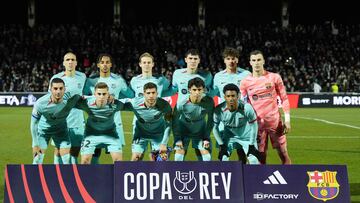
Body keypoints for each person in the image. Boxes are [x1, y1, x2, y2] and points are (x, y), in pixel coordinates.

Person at [240, 50, 291, 164]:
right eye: (254, 60)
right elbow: (243, 105)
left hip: (275, 123)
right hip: (257, 126)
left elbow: (284, 98)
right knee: (261, 157)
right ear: (250, 63)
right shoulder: (245, 82)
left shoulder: (274, 77)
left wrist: (287, 121)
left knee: (283, 154)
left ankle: (290, 178)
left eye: (259, 60)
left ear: (263, 61)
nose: (256, 63)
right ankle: (261, 181)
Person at [84, 53, 134, 163]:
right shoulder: (91, 81)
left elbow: (131, 95)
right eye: (102, 62)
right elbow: (83, 97)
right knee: (93, 157)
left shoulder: (118, 80)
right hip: (95, 125)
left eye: (107, 62)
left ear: (111, 64)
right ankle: (95, 179)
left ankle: (116, 180)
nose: (105, 65)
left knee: (117, 160)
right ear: (98, 65)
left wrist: (116, 100)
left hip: (114, 125)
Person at [171, 49, 213, 160]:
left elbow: (210, 91)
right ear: (185, 60)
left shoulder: (207, 75)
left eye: (195, 59)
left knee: (203, 155)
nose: (192, 61)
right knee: (179, 154)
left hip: (199, 120)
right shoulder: (177, 74)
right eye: (190, 58)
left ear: (199, 60)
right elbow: (173, 89)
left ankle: (203, 176)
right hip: (183, 119)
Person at [31, 78, 80, 164]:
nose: (58, 91)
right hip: (44, 131)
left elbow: (88, 100)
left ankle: (63, 177)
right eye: (55, 88)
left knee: (67, 159)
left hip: (61, 131)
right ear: (50, 89)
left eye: (61, 88)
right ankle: (33, 176)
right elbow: (33, 124)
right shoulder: (40, 103)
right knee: (37, 159)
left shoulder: (71, 99)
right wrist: (35, 144)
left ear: (65, 89)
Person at [50, 52, 86, 164]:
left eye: (72, 59)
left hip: (77, 120)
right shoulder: (56, 78)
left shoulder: (82, 77)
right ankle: (57, 174)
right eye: (68, 60)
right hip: (61, 120)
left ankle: (73, 175)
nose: (70, 62)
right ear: (64, 63)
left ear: (76, 62)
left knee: (75, 149)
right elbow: (50, 99)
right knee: (58, 149)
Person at [75, 82, 124, 164]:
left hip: (110, 134)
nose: (101, 96)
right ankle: (86, 176)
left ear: (108, 94)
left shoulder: (115, 103)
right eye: (99, 94)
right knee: (85, 161)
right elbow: (71, 100)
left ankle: (116, 176)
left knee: (118, 162)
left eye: (104, 94)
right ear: (94, 94)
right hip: (91, 134)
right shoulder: (87, 101)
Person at [213, 84, 259, 164]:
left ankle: (254, 176)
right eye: (228, 96)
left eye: (233, 96)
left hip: (246, 137)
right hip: (229, 138)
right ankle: (227, 176)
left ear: (238, 96)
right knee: (223, 159)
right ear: (224, 97)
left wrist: (251, 145)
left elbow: (254, 126)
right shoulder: (218, 110)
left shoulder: (247, 108)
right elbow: (214, 128)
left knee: (254, 160)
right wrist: (221, 145)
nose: (231, 99)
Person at [127, 82, 172, 161]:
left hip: (158, 135)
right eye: (148, 93)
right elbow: (118, 104)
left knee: (161, 160)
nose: (151, 96)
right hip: (141, 134)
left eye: (153, 93)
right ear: (144, 94)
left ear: (157, 93)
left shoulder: (165, 105)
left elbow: (168, 124)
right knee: (135, 158)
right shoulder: (135, 103)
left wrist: (164, 144)